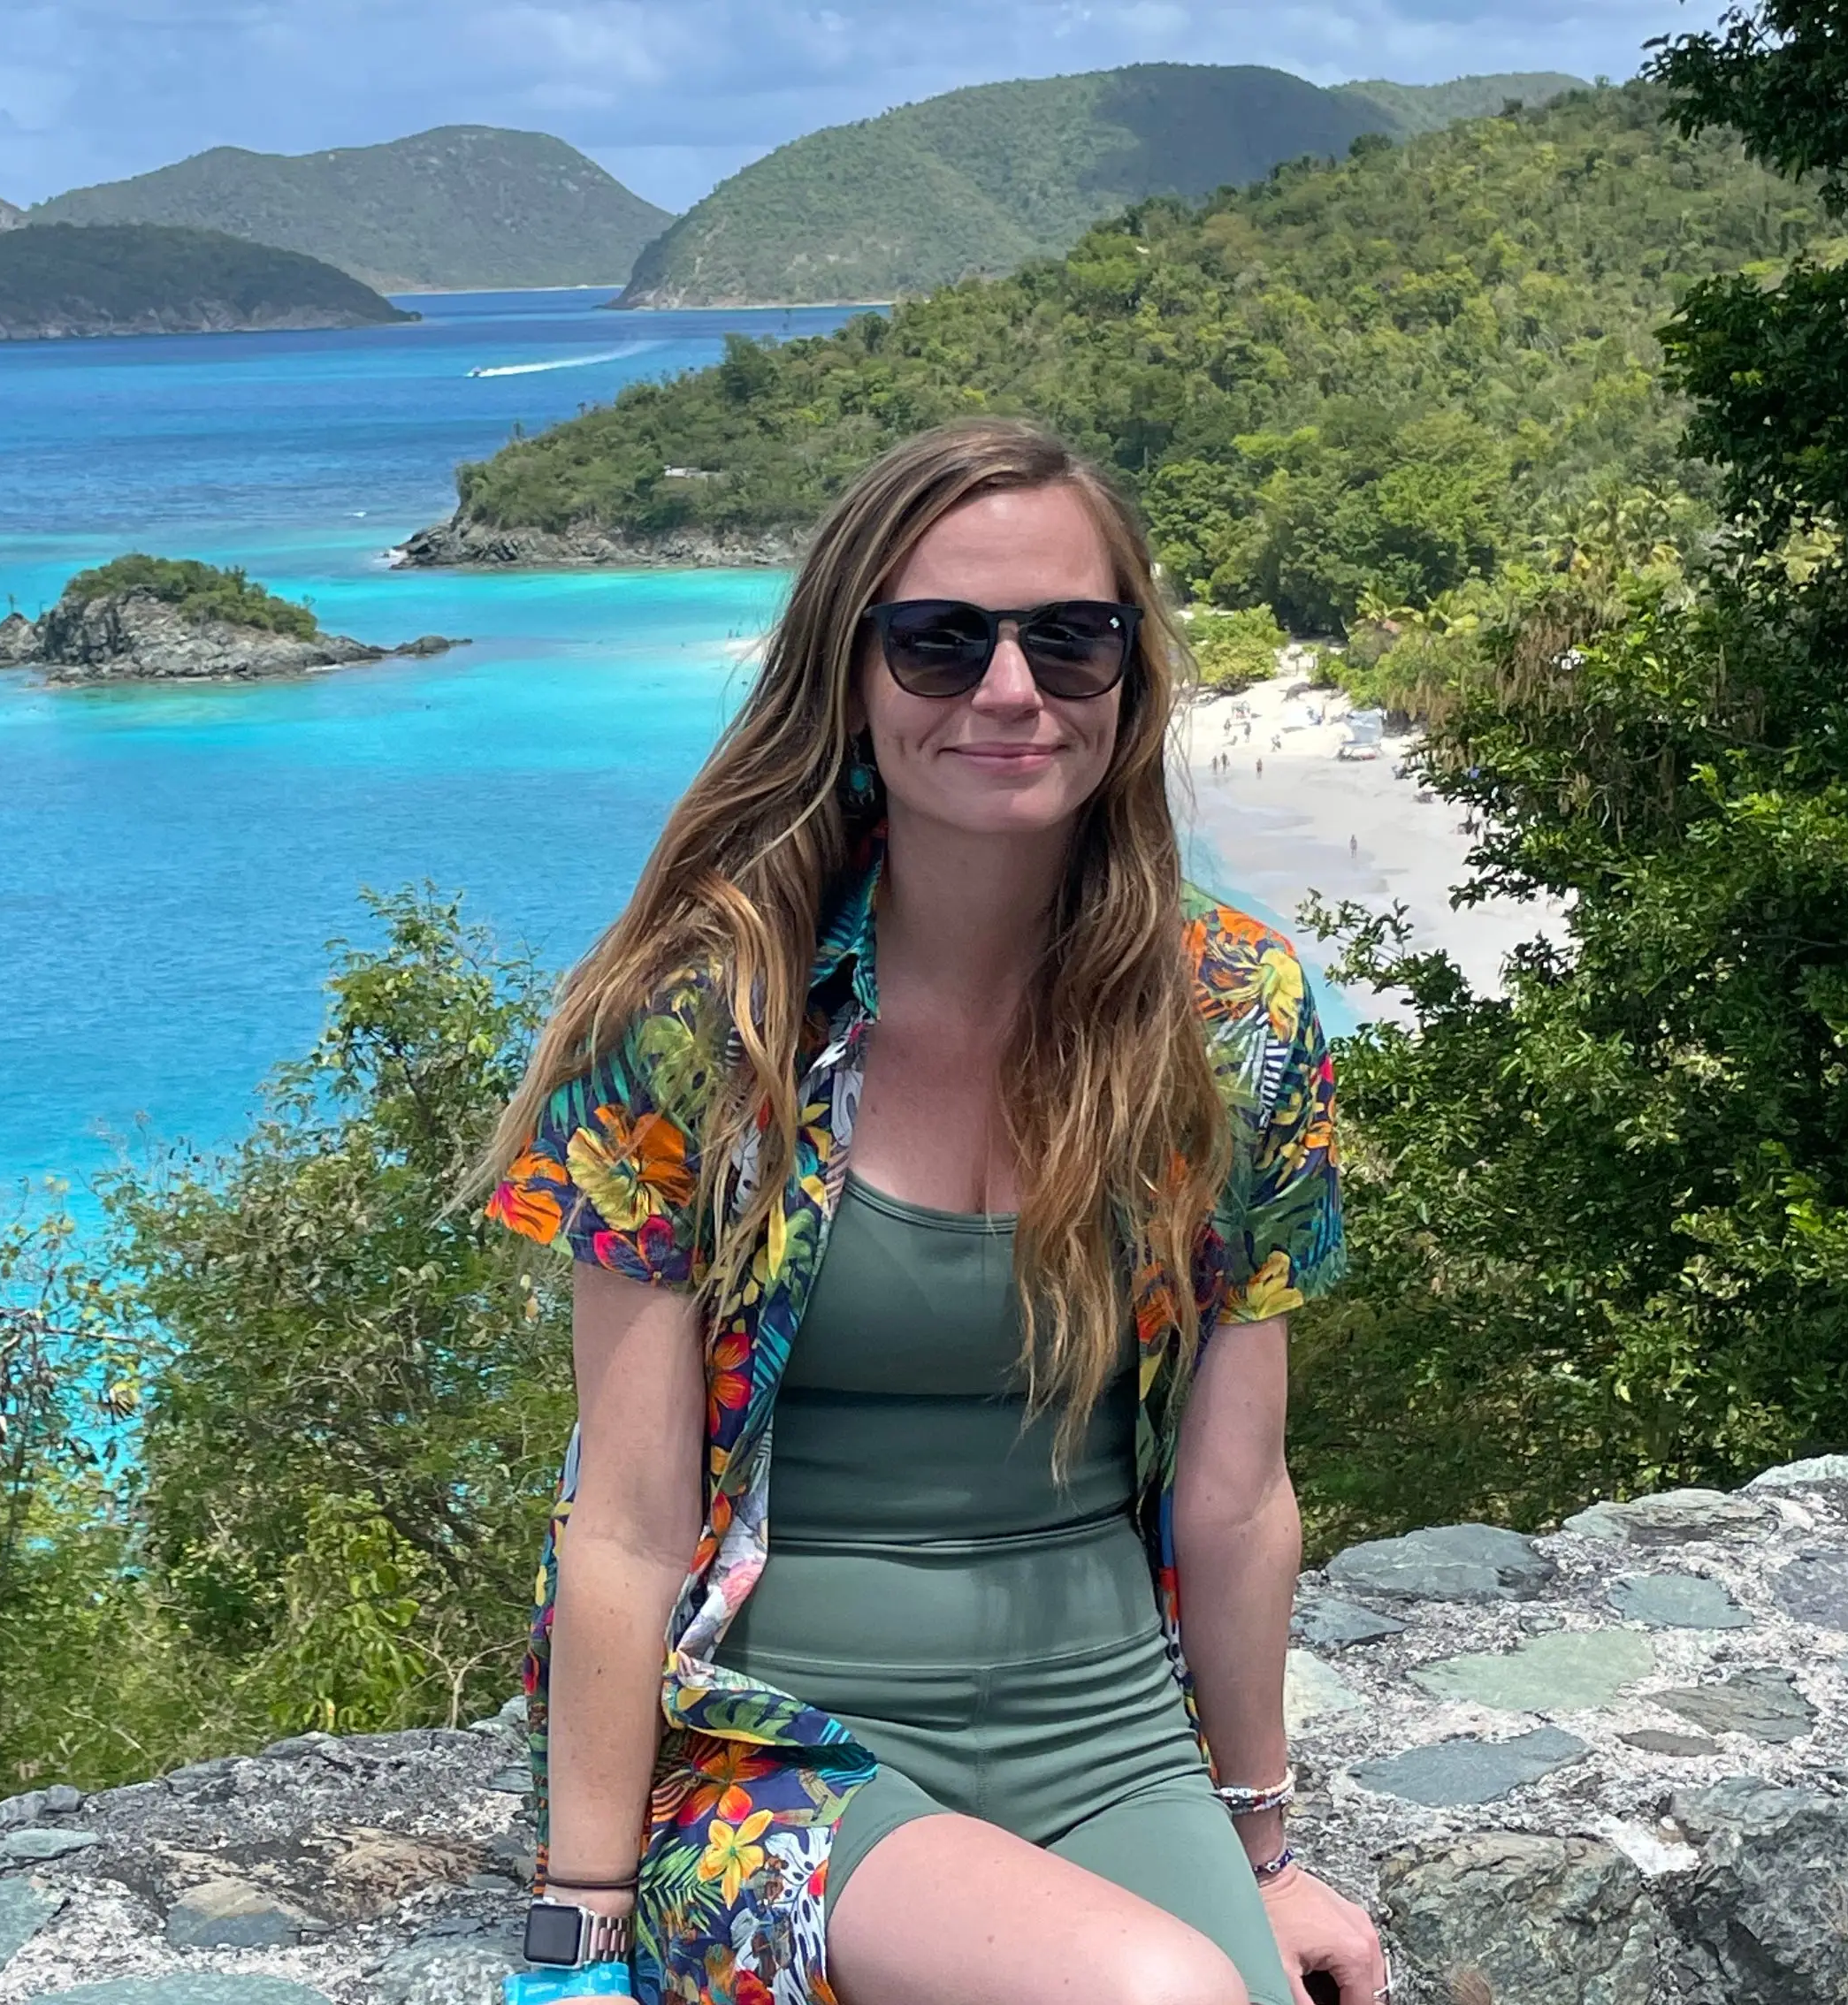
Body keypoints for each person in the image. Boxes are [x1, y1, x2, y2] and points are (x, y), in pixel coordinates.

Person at [483, 419, 1388, 2005]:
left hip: (1112, 1731)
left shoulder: (1231, 1017)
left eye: (1071, 638)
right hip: (771, 1751)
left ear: (1133, 675)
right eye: (939, 641)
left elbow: (1239, 1498)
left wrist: (1267, 1852)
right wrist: (579, 1930)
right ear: (852, 675)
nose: (1011, 691)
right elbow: (619, 1522)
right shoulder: (706, 1022)